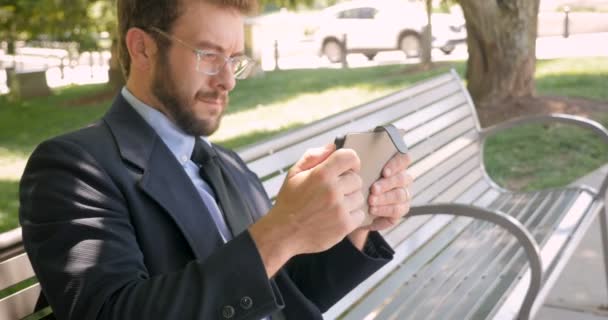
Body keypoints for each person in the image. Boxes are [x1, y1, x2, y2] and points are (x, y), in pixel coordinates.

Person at [19, 0, 414, 319]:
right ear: (142, 48)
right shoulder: (73, 168)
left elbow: (279, 298)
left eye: (234, 59)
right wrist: (285, 228)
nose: (227, 80)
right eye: (209, 55)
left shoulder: (226, 165)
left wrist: (353, 223)